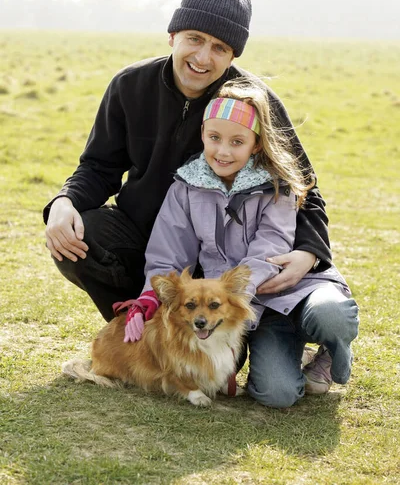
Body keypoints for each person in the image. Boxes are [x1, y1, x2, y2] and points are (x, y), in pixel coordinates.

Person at [44, 0, 330, 326]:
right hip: (141, 239)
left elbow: (303, 188)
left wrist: (310, 252)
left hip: (217, 267)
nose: (203, 57)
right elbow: (98, 167)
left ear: (233, 55)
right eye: (194, 39)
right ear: (173, 36)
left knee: (216, 373)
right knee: (78, 235)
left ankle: (210, 336)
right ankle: (139, 329)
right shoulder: (129, 86)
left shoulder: (254, 103)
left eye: (220, 47)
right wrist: (64, 201)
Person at [121, 79, 359, 407]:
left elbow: (270, 244)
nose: (223, 151)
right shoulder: (185, 188)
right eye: (214, 138)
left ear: (256, 144)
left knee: (331, 315)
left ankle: (333, 354)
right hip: (254, 309)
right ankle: (288, 350)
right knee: (277, 395)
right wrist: (149, 297)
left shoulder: (277, 185)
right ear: (203, 133)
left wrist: (233, 296)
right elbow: (169, 250)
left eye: (237, 142)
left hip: (296, 288)